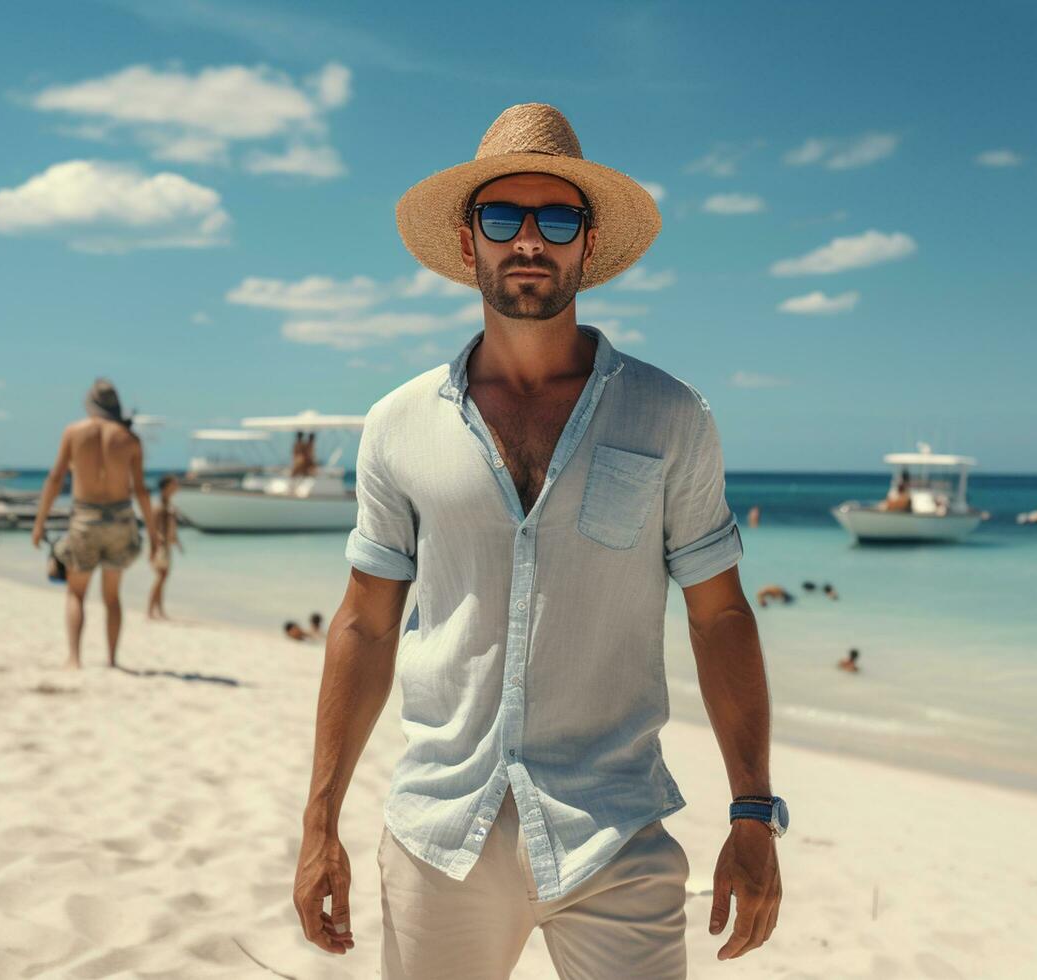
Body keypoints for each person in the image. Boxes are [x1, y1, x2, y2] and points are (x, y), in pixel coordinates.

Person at [293, 104, 784, 977]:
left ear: (587, 245)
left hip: (615, 832)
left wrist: (752, 812)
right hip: (439, 834)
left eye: (557, 219)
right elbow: (366, 623)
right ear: (467, 238)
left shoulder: (670, 416)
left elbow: (719, 616)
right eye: (502, 218)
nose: (530, 241)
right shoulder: (397, 424)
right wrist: (318, 821)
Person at [31, 379, 156, 669]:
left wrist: (40, 523)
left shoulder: (73, 432)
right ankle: (112, 660)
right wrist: (154, 534)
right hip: (121, 521)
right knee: (112, 597)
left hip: (85, 519)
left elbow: (55, 479)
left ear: (90, 404)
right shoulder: (129, 438)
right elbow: (141, 490)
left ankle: (74, 658)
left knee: (76, 593)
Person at [148, 475, 183, 620]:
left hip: (165, 547)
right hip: (160, 547)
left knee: (162, 578)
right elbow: (153, 527)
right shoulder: (160, 505)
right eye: (174, 485)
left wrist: (177, 543)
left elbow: (170, 528)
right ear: (166, 487)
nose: (177, 487)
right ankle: (150, 610)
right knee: (161, 578)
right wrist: (153, 548)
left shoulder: (168, 505)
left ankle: (159, 610)